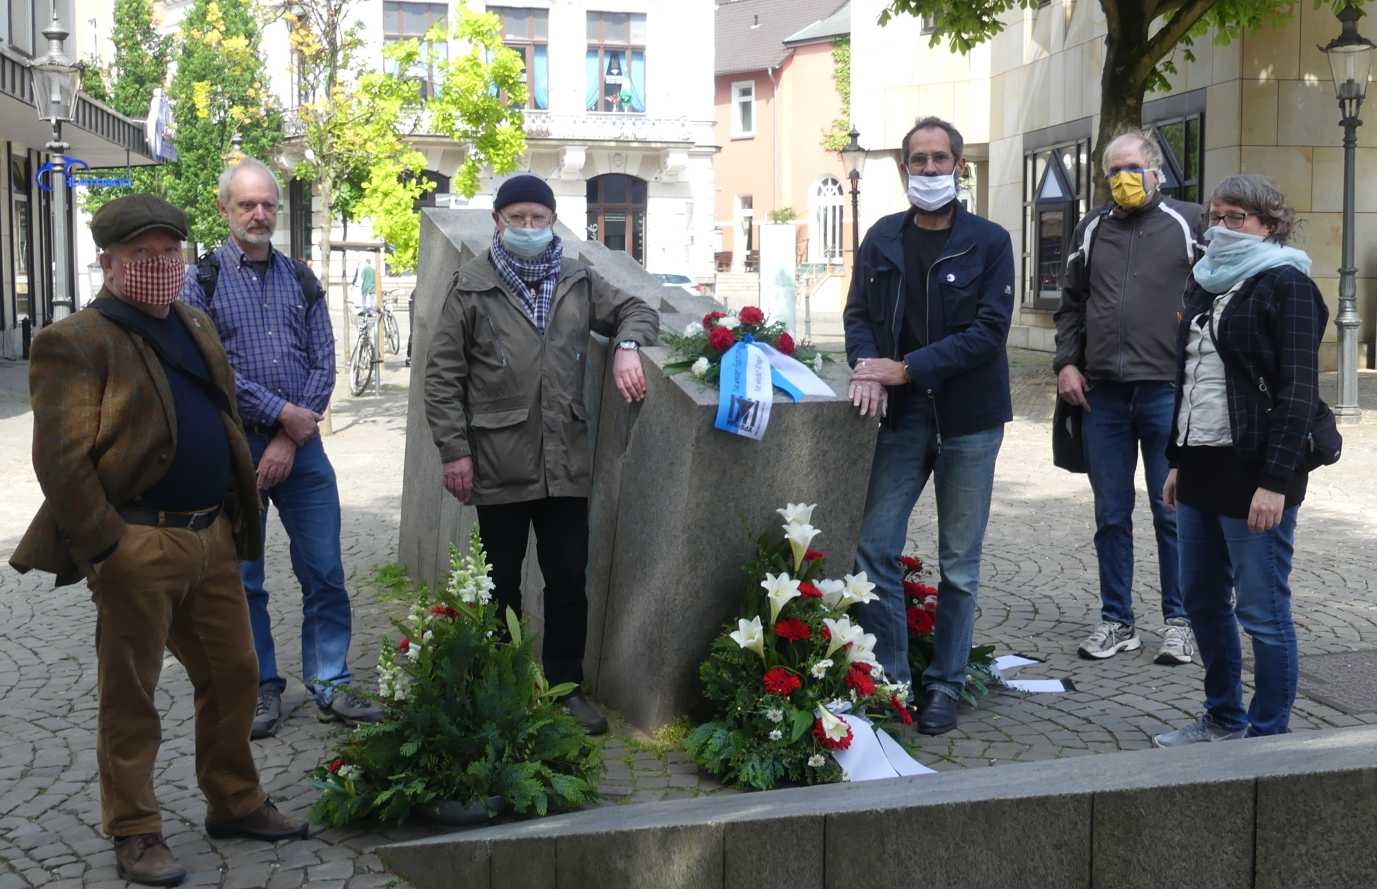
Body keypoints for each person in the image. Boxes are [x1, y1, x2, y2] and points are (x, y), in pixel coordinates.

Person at [10, 194, 306, 886]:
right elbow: (60, 459)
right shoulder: (74, 340)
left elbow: (223, 414)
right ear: (108, 262)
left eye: (169, 251)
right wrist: (108, 545)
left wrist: (234, 514)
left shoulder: (193, 321)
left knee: (234, 674)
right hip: (138, 544)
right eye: (143, 254)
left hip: (211, 536)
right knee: (132, 693)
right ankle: (136, 829)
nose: (160, 265)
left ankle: (234, 800)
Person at [424, 173, 658, 735]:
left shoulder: (577, 277)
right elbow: (442, 377)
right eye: (518, 218)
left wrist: (626, 347)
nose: (529, 228)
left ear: (552, 220)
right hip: (497, 460)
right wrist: (454, 452)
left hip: (565, 462)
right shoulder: (471, 285)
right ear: (497, 222)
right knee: (500, 582)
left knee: (567, 581)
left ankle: (564, 688)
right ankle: (503, 688)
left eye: (538, 218)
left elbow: (639, 310)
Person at [181, 157, 383, 738]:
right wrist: (280, 419)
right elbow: (210, 369)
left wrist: (292, 433)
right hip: (233, 451)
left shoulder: (302, 277)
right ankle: (260, 688)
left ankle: (330, 680)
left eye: (268, 203)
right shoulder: (203, 281)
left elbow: (325, 361)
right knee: (244, 579)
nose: (260, 213)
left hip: (302, 449)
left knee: (324, 569)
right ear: (225, 210)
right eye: (247, 204)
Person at [845, 117, 1013, 736]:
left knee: (959, 564)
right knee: (874, 546)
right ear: (904, 170)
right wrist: (865, 366)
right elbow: (858, 313)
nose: (931, 170)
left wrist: (904, 367)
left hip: (967, 418)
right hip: (902, 419)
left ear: (960, 167)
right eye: (919, 160)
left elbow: (988, 334)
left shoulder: (990, 242)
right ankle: (892, 679)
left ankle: (944, 685)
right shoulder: (882, 238)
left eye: (941, 160)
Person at [1154, 175, 1325, 746]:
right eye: (1216, 217)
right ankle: (1222, 716)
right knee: (1201, 600)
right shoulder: (1204, 282)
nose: (1221, 229)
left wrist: (1276, 482)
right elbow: (1191, 377)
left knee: (1261, 610)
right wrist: (1176, 461)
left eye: (1237, 219)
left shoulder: (1287, 284)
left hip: (1257, 471)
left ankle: (1268, 734)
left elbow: (1299, 388)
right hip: (1201, 466)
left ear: (1268, 225)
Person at [1054, 129, 1205, 665]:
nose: (1122, 179)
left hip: (1167, 391)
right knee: (1111, 513)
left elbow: (1216, 295)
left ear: (1155, 171)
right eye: (1112, 171)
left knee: (1172, 514)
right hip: (1104, 397)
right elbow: (1071, 303)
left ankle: (1181, 622)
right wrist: (1067, 362)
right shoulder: (1091, 228)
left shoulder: (1191, 223)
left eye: (1131, 168)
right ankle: (1118, 621)